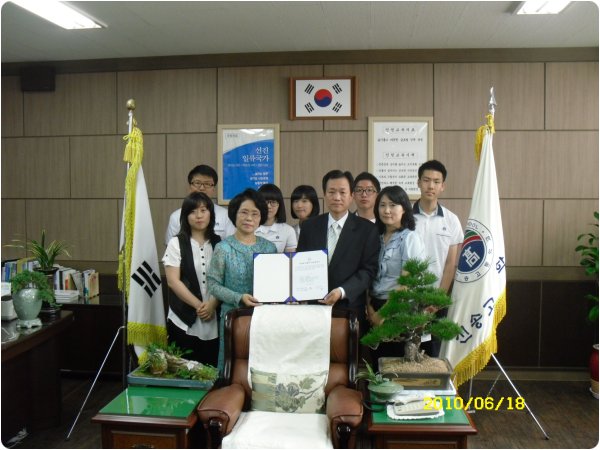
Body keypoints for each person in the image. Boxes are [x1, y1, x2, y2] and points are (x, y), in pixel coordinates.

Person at [297, 170, 380, 325]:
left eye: (342, 192)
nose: (337, 197)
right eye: (331, 192)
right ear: (324, 194)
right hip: (313, 311)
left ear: (351, 196)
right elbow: (299, 264)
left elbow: (368, 270)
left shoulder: (367, 230)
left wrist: (342, 291)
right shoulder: (309, 226)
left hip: (348, 310)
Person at [207, 188, 277, 371]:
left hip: (264, 319)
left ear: (261, 218)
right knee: (233, 368)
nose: (249, 218)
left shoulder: (269, 248)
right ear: (234, 215)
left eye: (255, 214)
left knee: (263, 368)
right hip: (233, 318)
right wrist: (239, 297)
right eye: (244, 212)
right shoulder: (223, 248)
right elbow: (213, 285)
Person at [366, 186, 426, 361]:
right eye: (382, 205)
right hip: (374, 306)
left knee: (395, 366)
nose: (386, 210)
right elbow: (367, 273)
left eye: (392, 205)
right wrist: (369, 309)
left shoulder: (410, 238)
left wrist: (382, 314)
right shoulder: (374, 237)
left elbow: (407, 283)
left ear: (404, 208)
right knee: (376, 364)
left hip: (398, 309)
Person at [162, 192, 221, 367]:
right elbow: (173, 281)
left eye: (204, 210)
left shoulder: (220, 243)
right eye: (193, 211)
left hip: (213, 315)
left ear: (211, 213)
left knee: (210, 369)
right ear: (185, 216)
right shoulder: (176, 243)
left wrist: (212, 305)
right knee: (182, 369)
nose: (199, 215)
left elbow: (224, 280)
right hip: (183, 317)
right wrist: (199, 306)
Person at [413, 159, 463, 356]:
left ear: (443, 186)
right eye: (426, 180)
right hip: (406, 296)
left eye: (436, 181)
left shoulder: (451, 220)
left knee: (432, 352)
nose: (430, 186)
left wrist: (438, 299)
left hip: (436, 297)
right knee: (405, 349)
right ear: (418, 183)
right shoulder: (405, 217)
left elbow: (451, 264)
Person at [165, 165, 235, 245]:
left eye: (207, 184)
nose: (202, 188)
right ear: (190, 186)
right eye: (197, 183)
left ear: (213, 189)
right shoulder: (176, 216)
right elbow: (170, 247)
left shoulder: (226, 215)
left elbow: (231, 247)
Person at [255, 184, 297, 252]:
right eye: (265, 202)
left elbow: (291, 259)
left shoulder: (288, 230)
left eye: (273, 202)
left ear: (279, 205)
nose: (268, 206)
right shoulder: (250, 227)